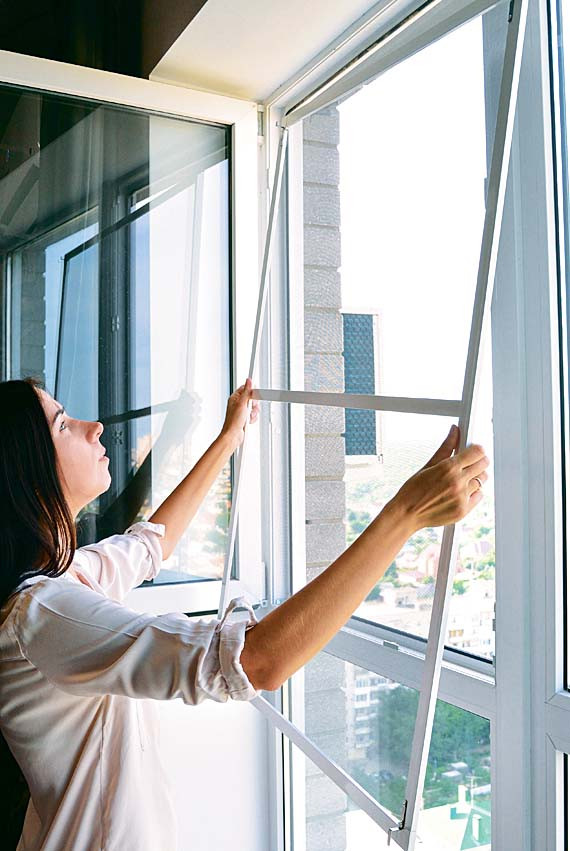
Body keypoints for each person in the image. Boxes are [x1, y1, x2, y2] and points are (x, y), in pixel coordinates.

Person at [0, 376, 489, 851]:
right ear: (26, 474)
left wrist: (228, 439)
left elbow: (151, 542)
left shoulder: (66, 577)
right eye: (63, 425)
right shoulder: (42, 614)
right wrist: (403, 515)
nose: (94, 427)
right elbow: (256, 661)